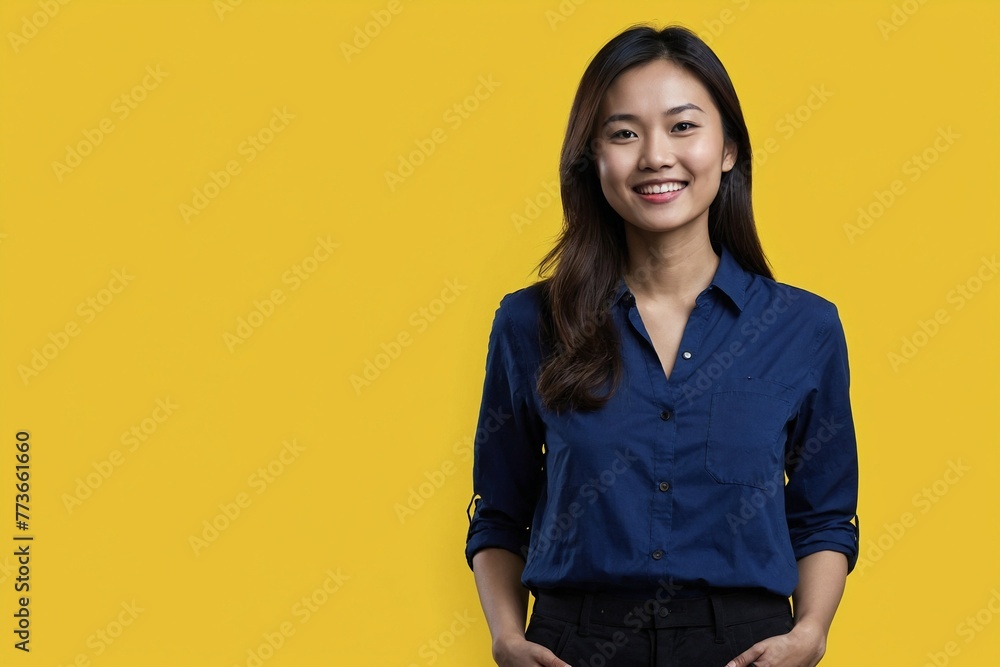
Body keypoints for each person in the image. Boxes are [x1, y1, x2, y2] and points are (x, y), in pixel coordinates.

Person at [464, 23, 860, 667]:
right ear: (593, 158)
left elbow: (824, 515)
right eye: (624, 133)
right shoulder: (529, 323)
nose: (655, 155)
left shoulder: (805, 328)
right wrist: (508, 638)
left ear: (728, 148)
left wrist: (810, 632)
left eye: (683, 127)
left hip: (744, 647)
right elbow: (498, 512)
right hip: (574, 644)